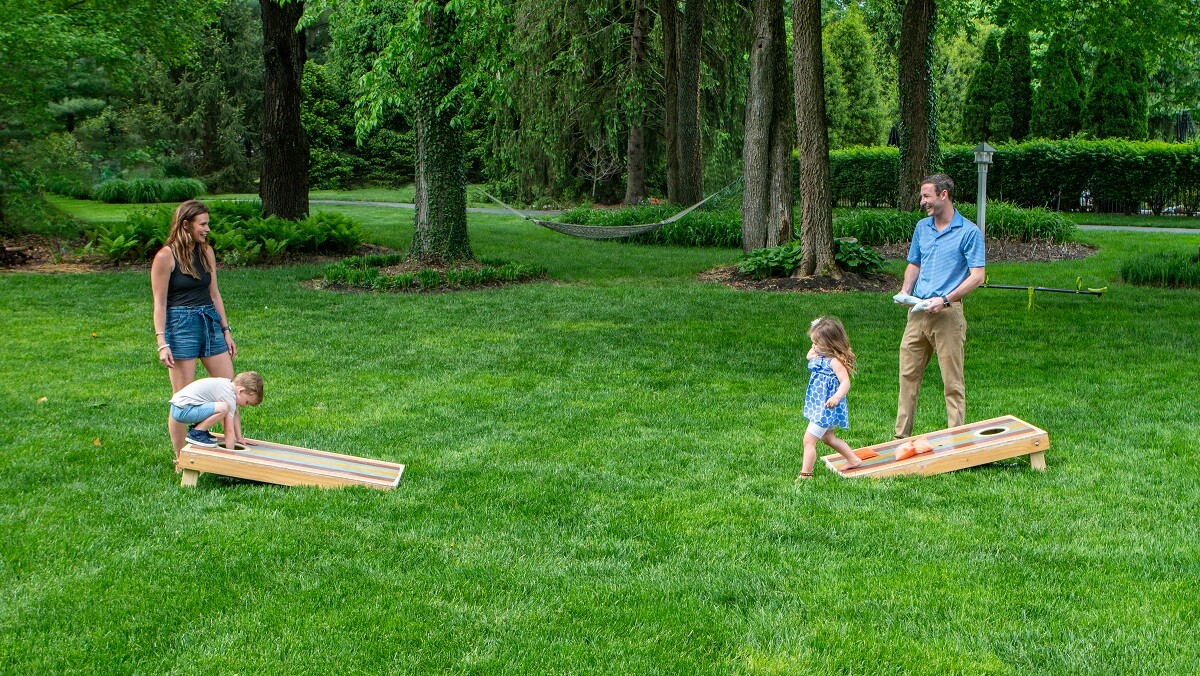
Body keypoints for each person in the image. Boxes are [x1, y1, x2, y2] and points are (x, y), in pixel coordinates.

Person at [894, 173, 986, 439]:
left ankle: (956, 438)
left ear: (943, 195)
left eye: (927, 196)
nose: (923, 202)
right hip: (918, 311)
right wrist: (905, 291)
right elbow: (915, 263)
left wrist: (945, 299)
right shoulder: (923, 228)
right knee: (907, 377)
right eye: (922, 197)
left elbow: (977, 276)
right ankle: (900, 438)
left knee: (952, 382)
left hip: (947, 314)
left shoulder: (969, 232)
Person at [151, 200, 238, 456]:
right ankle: (181, 459)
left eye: (207, 223)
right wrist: (162, 342)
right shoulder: (165, 256)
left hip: (210, 323)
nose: (207, 229)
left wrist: (226, 329)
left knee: (228, 389)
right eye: (203, 224)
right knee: (182, 400)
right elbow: (159, 303)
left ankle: (231, 448)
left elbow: (215, 294)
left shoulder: (206, 252)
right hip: (181, 327)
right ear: (186, 225)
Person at [797, 316, 862, 480]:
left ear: (829, 344)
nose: (813, 346)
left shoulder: (834, 362)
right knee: (828, 438)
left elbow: (845, 382)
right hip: (818, 404)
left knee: (809, 440)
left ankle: (806, 474)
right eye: (813, 342)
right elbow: (808, 356)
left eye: (816, 343)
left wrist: (837, 397)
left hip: (826, 407)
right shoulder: (818, 356)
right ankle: (853, 459)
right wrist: (816, 342)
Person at [169, 372, 263, 450]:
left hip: (181, 407)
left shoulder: (228, 386)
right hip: (182, 410)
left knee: (224, 407)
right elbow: (229, 430)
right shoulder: (228, 397)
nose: (245, 406)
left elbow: (234, 413)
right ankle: (196, 433)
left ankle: (199, 429)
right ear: (241, 391)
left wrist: (239, 438)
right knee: (223, 408)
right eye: (247, 402)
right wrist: (231, 453)